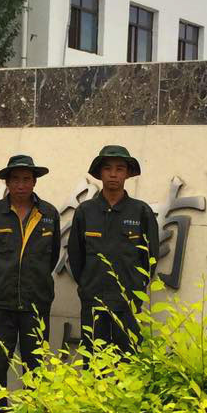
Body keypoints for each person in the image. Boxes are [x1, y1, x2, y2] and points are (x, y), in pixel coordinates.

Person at [0, 154, 60, 413]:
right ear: (7, 183)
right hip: (0, 304)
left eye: (26, 179)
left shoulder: (49, 214)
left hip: (36, 303)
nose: (21, 184)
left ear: (34, 182)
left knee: (35, 367)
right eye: (15, 179)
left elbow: (52, 257)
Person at [67, 144, 160, 357]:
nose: (113, 174)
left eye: (120, 169)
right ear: (100, 173)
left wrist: (135, 287)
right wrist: (88, 285)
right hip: (93, 301)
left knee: (128, 361)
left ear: (127, 173)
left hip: (128, 302)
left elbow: (150, 258)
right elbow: (76, 256)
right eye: (108, 168)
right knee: (93, 361)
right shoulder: (85, 211)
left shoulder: (141, 211)